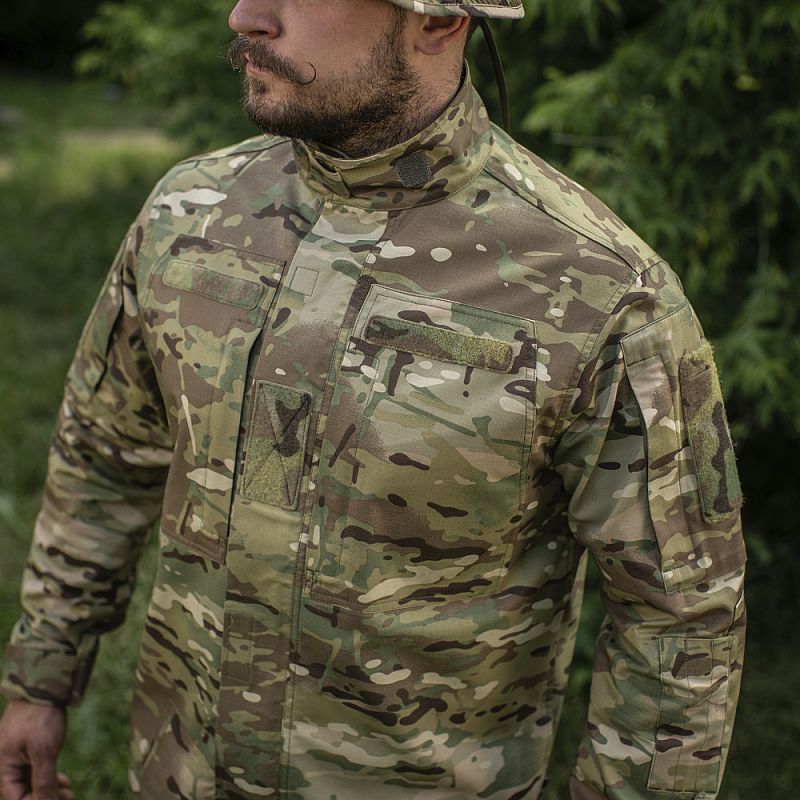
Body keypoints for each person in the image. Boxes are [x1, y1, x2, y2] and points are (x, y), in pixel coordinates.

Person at [0, 0, 747, 798]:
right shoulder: (189, 214)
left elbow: (678, 618)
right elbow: (104, 453)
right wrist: (41, 677)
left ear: (438, 20)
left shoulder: (599, 293)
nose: (246, 16)